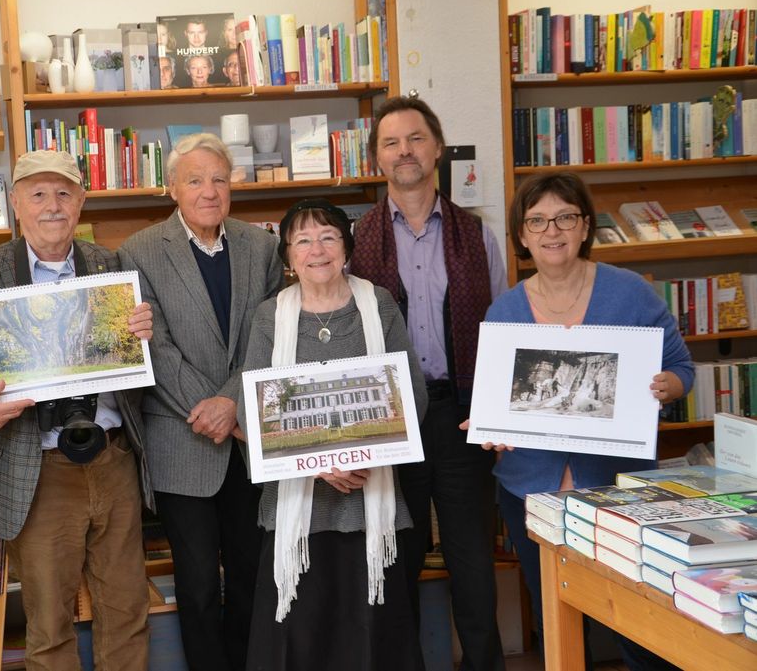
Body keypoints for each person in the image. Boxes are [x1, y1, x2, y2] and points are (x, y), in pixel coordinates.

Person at [0, 149, 156, 671]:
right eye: (38, 194)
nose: (52, 206)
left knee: (127, 609)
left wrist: (143, 334)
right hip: (36, 467)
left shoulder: (112, 265)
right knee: (50, 624)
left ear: (81, 201)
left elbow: (137, 366)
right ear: (16, 203)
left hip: (113, 458)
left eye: (63, 192)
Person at [479, 171, 692, 671]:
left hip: (619, 487)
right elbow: (493, 403)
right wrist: (490, 429)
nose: (551, 231)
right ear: (522, 235)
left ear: (584, 225)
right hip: (530, 490)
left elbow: (682, 369)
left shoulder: (631, 293)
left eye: (564, 217)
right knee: (557, 615)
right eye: (537, 221)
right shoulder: (505, 311)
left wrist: (668, 385)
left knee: (639, 615)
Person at [350, 95, 506, 671]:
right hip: (390, 422)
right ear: (377, 158)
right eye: (390, 142)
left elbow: (501, 327)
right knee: (397, 560)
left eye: (415, 138)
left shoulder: (477, 235)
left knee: (472, 561)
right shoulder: (355, 239)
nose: (404, 151)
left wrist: (492, 411)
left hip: (461, 415)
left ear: (436, 148)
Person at [118, 133, 284, 671]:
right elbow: (155, 348)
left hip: (247, 439)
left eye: (219, 178)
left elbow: (272, 335)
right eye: (194, 180)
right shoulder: (139, 251)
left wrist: (233, 404)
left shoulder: (261, 247)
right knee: (194, 587)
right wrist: (208, 410)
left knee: (250, 576)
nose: (209, 190)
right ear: (172, 189)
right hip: (180, 441)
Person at [241, 199, 428, 671]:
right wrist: (318, 463)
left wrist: (363, 455)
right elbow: (256, 408)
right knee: (300, 639)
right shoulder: (270, 316)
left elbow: (411, 392)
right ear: (287, 257)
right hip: (297, 509)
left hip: (371, 496)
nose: (316, 249)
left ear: (346, 246)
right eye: (302, 240)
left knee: (371, 635)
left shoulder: (378, 302)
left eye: (327, 236)